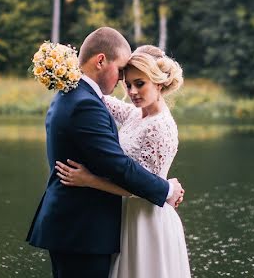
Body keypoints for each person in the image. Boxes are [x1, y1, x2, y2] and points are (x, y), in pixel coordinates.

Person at [26, 27, 185, 278]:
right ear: (101, 61)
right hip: (84, 230)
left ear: (159, 83)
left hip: (130, 222)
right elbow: (117, 164)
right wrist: (165, 190)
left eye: (137, 83)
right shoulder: (87, 102)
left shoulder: (76, 94)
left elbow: (119, 164)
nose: (128, 87)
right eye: (123, 74)